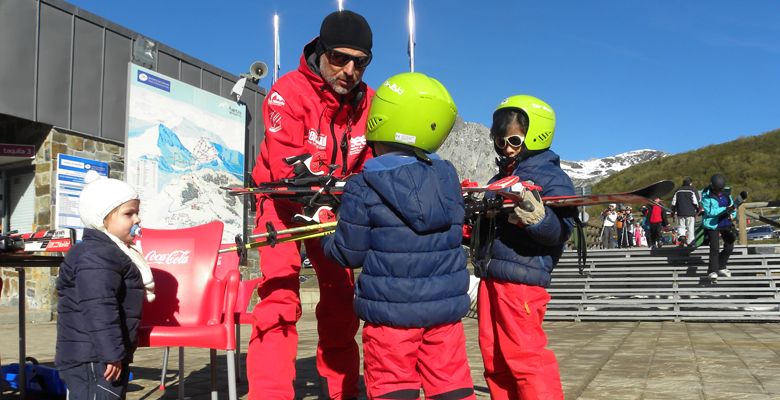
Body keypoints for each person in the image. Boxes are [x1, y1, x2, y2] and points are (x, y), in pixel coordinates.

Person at [322, 72, 475, 399]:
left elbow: (350, 254)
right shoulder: (448, 179)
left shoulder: (362, 186)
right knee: (452, 386)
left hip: (389, 318)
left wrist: (327, 236)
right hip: (444, 317)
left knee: (393, 387)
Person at [248, 10, 375, 399]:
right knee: (280, 297)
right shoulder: (287, 92)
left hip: (334, 208)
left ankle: (342, 392)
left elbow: (374, 164)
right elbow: (288, 160)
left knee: (340, 300)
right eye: (340, 57)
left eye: (360, 62)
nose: (349, 70)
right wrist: (324, 193)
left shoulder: (370, 103)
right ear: (321, 52)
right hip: (282, 203)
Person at [472, 95, 575, 399]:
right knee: (495, 361)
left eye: (514, 140)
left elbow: (561, 231)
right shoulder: (500, 177)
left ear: (536, 135)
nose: (506, 148)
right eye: (500, 141)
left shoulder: (551, 176)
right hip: (492, 277)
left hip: (522, 281)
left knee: (525, 359)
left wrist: (538, 218)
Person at [55, 170, 154, 399]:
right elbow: (99, 307)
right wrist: (111, 353)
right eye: (129, 213)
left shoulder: (107, 252)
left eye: (137, 213)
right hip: (93, 356)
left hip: (97, 353)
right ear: (103, 218)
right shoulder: (97, 256)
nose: (137, 219)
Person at [701, 173, 736, 281]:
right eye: (717, 189)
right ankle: (712, 271)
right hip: (712, 223)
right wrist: (725, 210)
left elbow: (732, 206)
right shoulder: (706, 195)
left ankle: (721, 266)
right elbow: (710, 212)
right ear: (712, 186)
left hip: (725, 222)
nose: (719, 191)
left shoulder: (726, 192)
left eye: (720, 189)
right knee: (715, 248)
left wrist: (732, 214)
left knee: (730, 245)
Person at [671, 176, 701, 247]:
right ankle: (690, 242)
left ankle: (682, 236)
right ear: (690, 183)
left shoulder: (678, 190)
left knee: (681, 226)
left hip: (680, 212)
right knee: (690, 227)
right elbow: (696, 202)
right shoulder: (692, 190)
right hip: (690, 212)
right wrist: (698, 210)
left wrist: (673, 211)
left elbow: (673, 202)